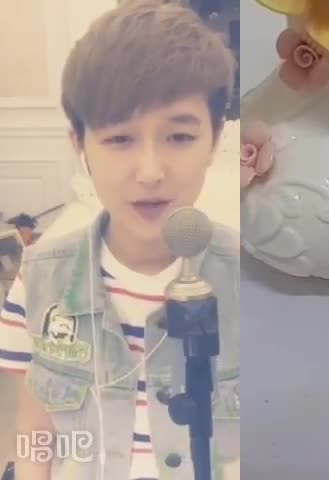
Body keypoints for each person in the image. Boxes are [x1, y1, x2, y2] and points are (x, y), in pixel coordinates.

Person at [0, 1, 239, 479]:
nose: (149, 172)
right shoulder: (40, 276)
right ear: (80, 146)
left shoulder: (247, 282)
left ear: (214, 139)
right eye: (119, 140)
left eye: (179, 137)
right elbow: (34, 430)